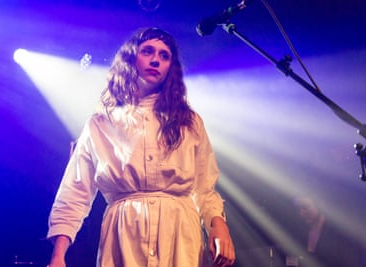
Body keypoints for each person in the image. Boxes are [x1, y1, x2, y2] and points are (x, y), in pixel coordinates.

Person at [46, 27, 236, 267]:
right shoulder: (101, 123)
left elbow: (204, 187)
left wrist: (218, 225)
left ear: (171, 68)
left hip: (179, 235)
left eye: (164, 55)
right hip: (124, 236)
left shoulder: (189, 122)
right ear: (131, 57)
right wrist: (58, 255)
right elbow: (75, 191)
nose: (156, 59)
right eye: (148, 51)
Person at [288, 196, 366, 267]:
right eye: (298, 209)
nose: (301, 213)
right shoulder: (300, 231)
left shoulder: (338, 232)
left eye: (305, 208)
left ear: (318, 205)